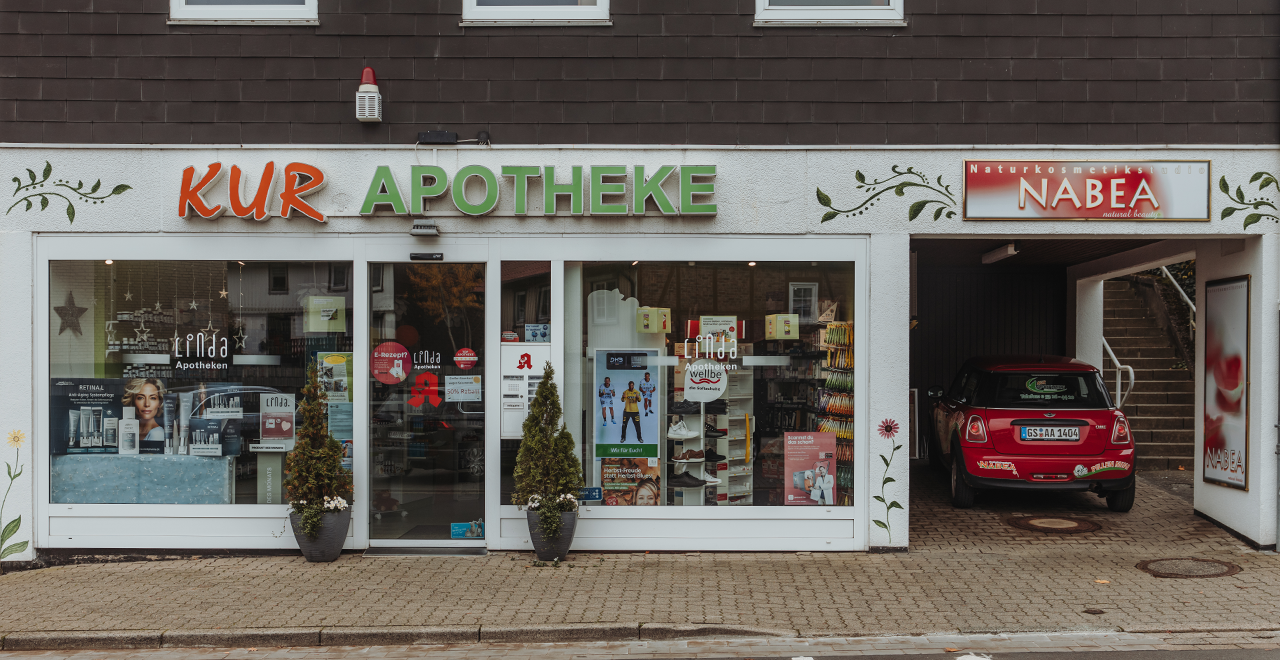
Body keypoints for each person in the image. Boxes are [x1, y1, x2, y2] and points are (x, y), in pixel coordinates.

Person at [122, 378, 167, 445]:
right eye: (140, 398)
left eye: (153, 398)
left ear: (159, 403)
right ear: (133, 401)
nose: (147, 404)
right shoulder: (130, 430)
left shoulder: (157, 434)